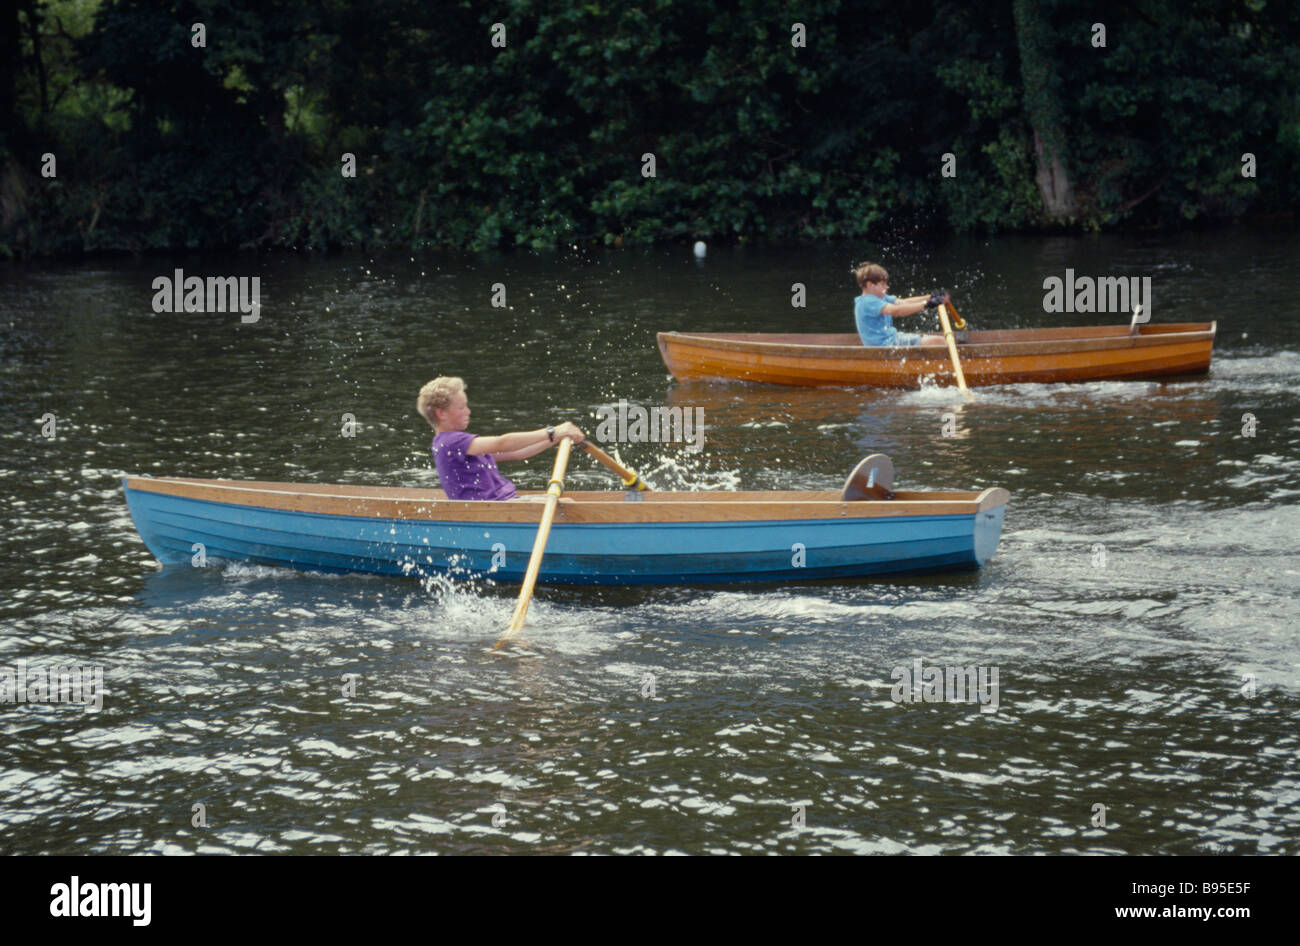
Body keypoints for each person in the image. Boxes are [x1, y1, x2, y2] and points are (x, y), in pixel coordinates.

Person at [416, 376, 584, 501]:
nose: (468, 411)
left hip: (506, 504)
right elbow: (502, 443)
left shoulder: (462, 444)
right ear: (441, 413)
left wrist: (557, 437)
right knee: (567, 504)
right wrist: (552, 431)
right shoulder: (450, 442)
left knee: (566, 503)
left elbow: (518, 453)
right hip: (493, 510)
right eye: (461, 407)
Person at [853, 262, 950, 348]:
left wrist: (931, 297)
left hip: (892, 340)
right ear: (870, 285)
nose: (886, 287)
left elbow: (904, 302)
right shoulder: (868, 301)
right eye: (882, 284)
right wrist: (927, 304)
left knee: (938, 340)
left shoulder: (881, 297)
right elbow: (897, 311)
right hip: (885, 345)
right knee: (938, 341)